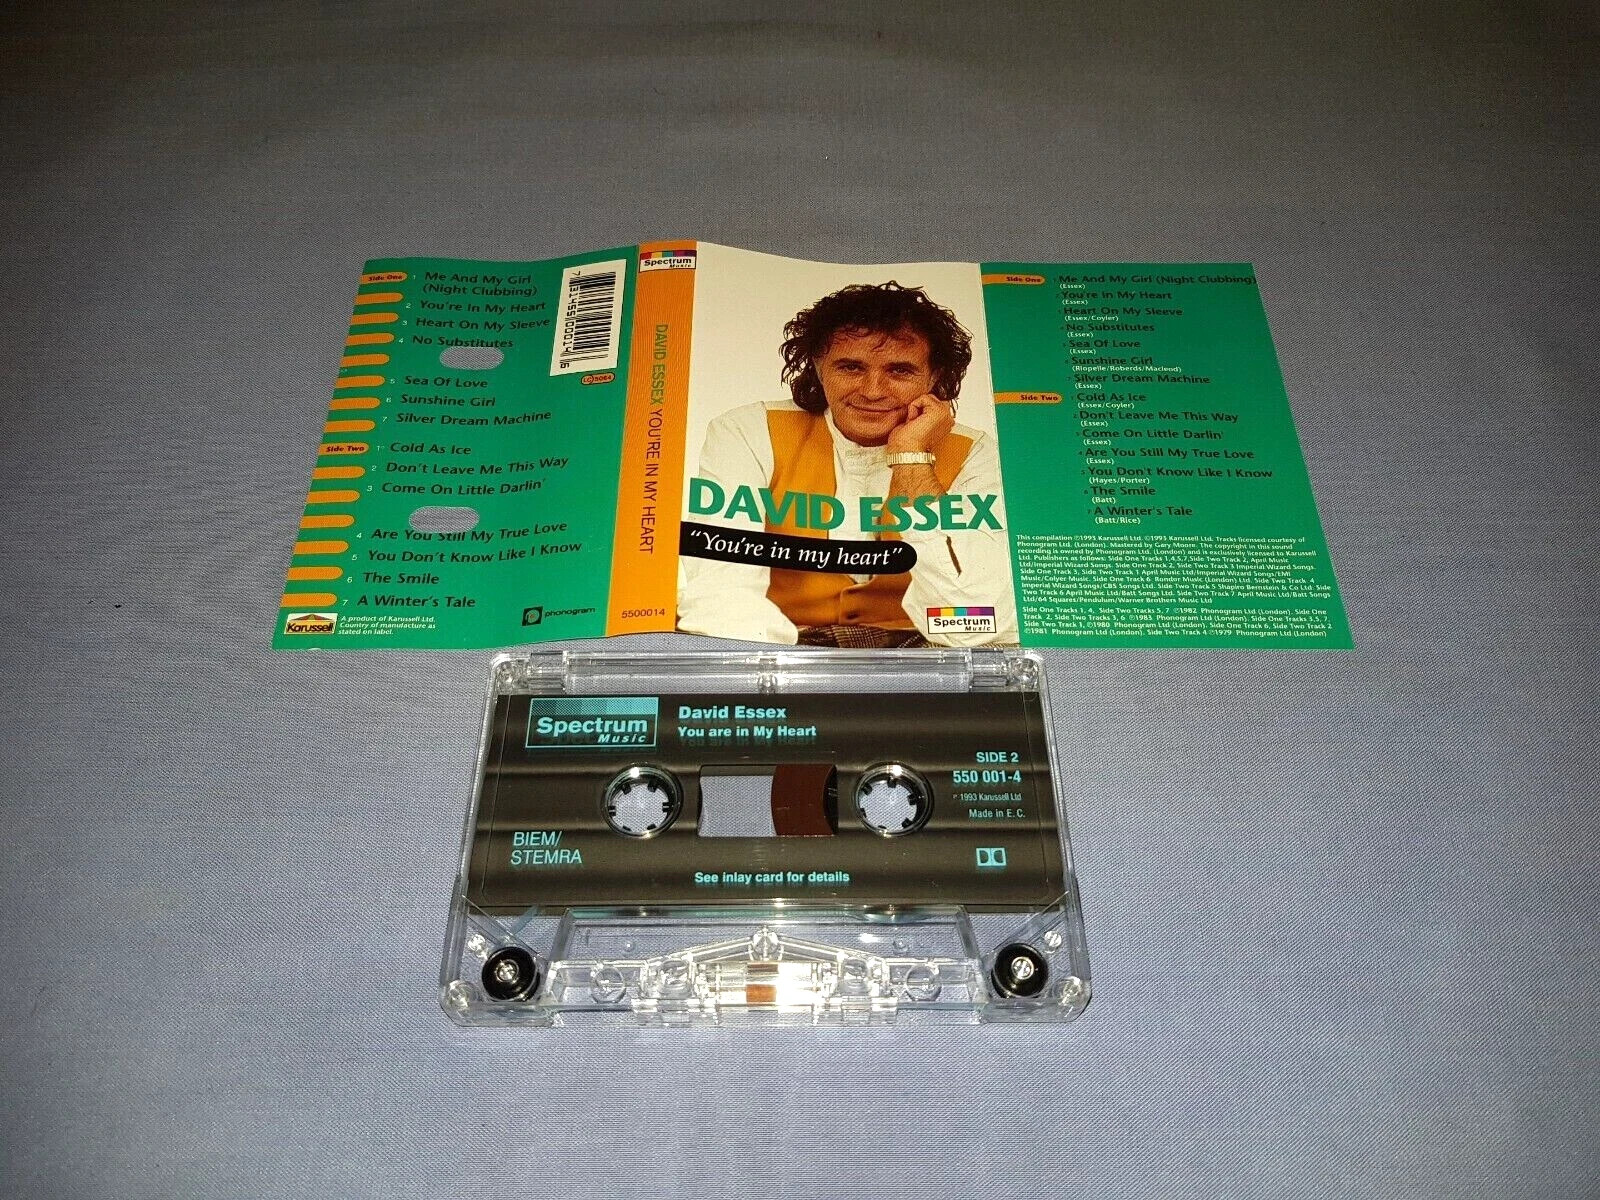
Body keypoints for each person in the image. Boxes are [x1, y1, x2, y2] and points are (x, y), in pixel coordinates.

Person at [678, 281, 1017, 647]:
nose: (872, 391)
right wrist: (788, 666)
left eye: (900, 371)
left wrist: (912, 457)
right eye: (851, 367)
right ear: (818, 365)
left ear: (934, 376)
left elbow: (974, 625)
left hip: (918, 654)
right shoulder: (748, 432)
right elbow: (722, 592)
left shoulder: (975, 453)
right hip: (778, 644)